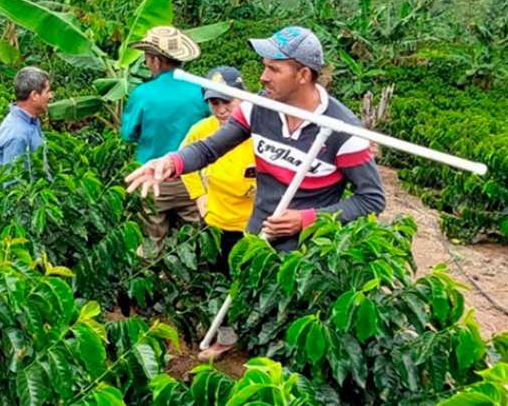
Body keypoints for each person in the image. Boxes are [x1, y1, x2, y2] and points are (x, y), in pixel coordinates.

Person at [125, 26, 386, 360]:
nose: (262, 77)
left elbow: (371, 199)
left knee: (294, 333)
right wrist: (171, 162)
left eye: (273, 68)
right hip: (257, 238)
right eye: (263, 66)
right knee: (246, 303)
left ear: (303, 74)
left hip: (307, 258)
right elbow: (209, 149)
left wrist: (306, 219)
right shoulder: (258, 108)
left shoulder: (342, 130)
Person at [121, 26, 211, 246]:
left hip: (153, 180)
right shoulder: (202, 89)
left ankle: (150, 279)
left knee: (151, 244)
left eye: (147, 59)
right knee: (193, 243)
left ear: (156, 61)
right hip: (193, 180)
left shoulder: (142, 94)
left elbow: (128, 134)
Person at [180, 66, 255, 277]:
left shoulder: (261, 129)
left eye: (227, 102)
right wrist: (199, 195)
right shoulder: (202, 130)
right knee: (217, 279)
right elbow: (184, 161)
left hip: (251, 225)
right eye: (215, 103)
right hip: (215, 223)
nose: (222, 110)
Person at [0, 66, 53, 177]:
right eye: (48, 91)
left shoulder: (31, 120)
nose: (51, 96)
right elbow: (13, 183)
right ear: (34, 95)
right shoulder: (16, 135)